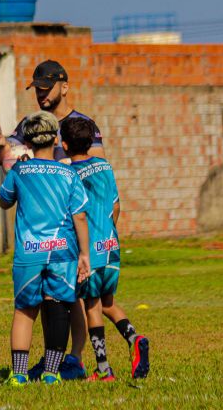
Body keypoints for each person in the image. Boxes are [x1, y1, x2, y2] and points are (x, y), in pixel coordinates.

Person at [0, 59, 103, 380]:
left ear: (64, 87)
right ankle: (54, 366)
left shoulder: (84, 124)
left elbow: (97, 164)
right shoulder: (30, 124)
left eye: (45, 88)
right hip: (64, 238)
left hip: (68, 226)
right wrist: (0, 149)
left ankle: (73, 359)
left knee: (73, 300)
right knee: (62, 302)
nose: (40, 94)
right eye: (36, 89)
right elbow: (4, 157)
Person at [0, 111, 90, 386]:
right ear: (57, 138)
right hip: (63, 252)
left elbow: (4, 201)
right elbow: (80, 216)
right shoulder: (69, 173)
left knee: (25, 311)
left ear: (26, 140)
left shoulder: (19, 171)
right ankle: (51, 373)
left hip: (29, 252)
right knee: (59, 307)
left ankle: (18, 375)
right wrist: (84, 254)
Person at [60, 117, 150, 381]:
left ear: (64, 144)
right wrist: (108, 234)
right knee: (108, 303)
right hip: (111, 246)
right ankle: (135, 338)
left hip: (90, 251)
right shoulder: (104, 165)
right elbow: (116, 206)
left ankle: (103, 369)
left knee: (92, 306)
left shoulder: (68, 175)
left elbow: (73, 215)